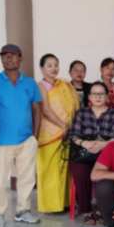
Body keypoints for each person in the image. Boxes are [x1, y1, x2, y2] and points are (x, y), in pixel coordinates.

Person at [0, 44, 42, 227]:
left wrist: (34, 136)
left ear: (20, 58)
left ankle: (23, 211)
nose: (8, 59)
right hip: (0, 141)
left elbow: (37, 108)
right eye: (4, 56)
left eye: (12, 56)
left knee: (27, 178)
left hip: (26, 140)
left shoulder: (30, 83)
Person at [69, 81, 114, 225]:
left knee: (105, 176)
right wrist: (85, 143)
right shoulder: (81, 113)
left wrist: (102, 145)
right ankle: (86, 210)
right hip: (83, 153)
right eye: (94, 94)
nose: (98, 97)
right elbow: (73, 135)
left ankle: (102, 209)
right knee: (81, 173)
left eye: (101, 94)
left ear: (107, 96)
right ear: (89, 97)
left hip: (107, 154)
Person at [36, 54, 80, 213]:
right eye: (49, 65)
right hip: (49, 133)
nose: (54, 68)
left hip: (65, 132)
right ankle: (51, 206)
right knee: (50, 170)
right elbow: (45, 110)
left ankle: (65, 202)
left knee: (64, 169)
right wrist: (63, 126)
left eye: (56, 65)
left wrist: (68, 128)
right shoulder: (40, 86)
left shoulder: (64, 85)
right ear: (42, 68)